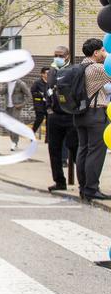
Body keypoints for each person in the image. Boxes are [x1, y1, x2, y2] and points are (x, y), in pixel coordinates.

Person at [74, 38, 111, 201]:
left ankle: (83, 187)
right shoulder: (97, 68)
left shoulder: (81, 66)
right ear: (96, 53)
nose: (105, 53)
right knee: (96, 152)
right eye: (103, 50)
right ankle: (91, 188)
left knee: (83, 149)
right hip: (95, 114)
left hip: (81, 114)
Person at [46, 45, 79, 192]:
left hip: (70, 116)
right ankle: (59, 181)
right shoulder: (52, 71)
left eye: (60, 55)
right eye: (55, 55)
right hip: (55, 116)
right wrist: (49, 108)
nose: (57, 57)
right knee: (54, 150)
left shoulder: (73, 70)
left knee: (75, 148)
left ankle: (84, 182)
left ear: (67, 56)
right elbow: (48, 90)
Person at [5, 78, 32, 151]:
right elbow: (1, 92)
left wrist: (21, 104)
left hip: (16, 107)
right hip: (8, 107)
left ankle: (14, 142)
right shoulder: (7, 83)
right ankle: (14, 141)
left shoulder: (21, 84)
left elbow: (29, 96)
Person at [31, 67, 49, 138]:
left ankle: (47, 138)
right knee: (39, 118)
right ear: (42, 74)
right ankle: (32, 133)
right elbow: (32, 92)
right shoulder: (37, 83)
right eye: (47, 73)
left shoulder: (50, 82)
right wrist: (41, 95)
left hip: (48, 104)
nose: (48, 75)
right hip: (39, 104)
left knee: (49, 120)